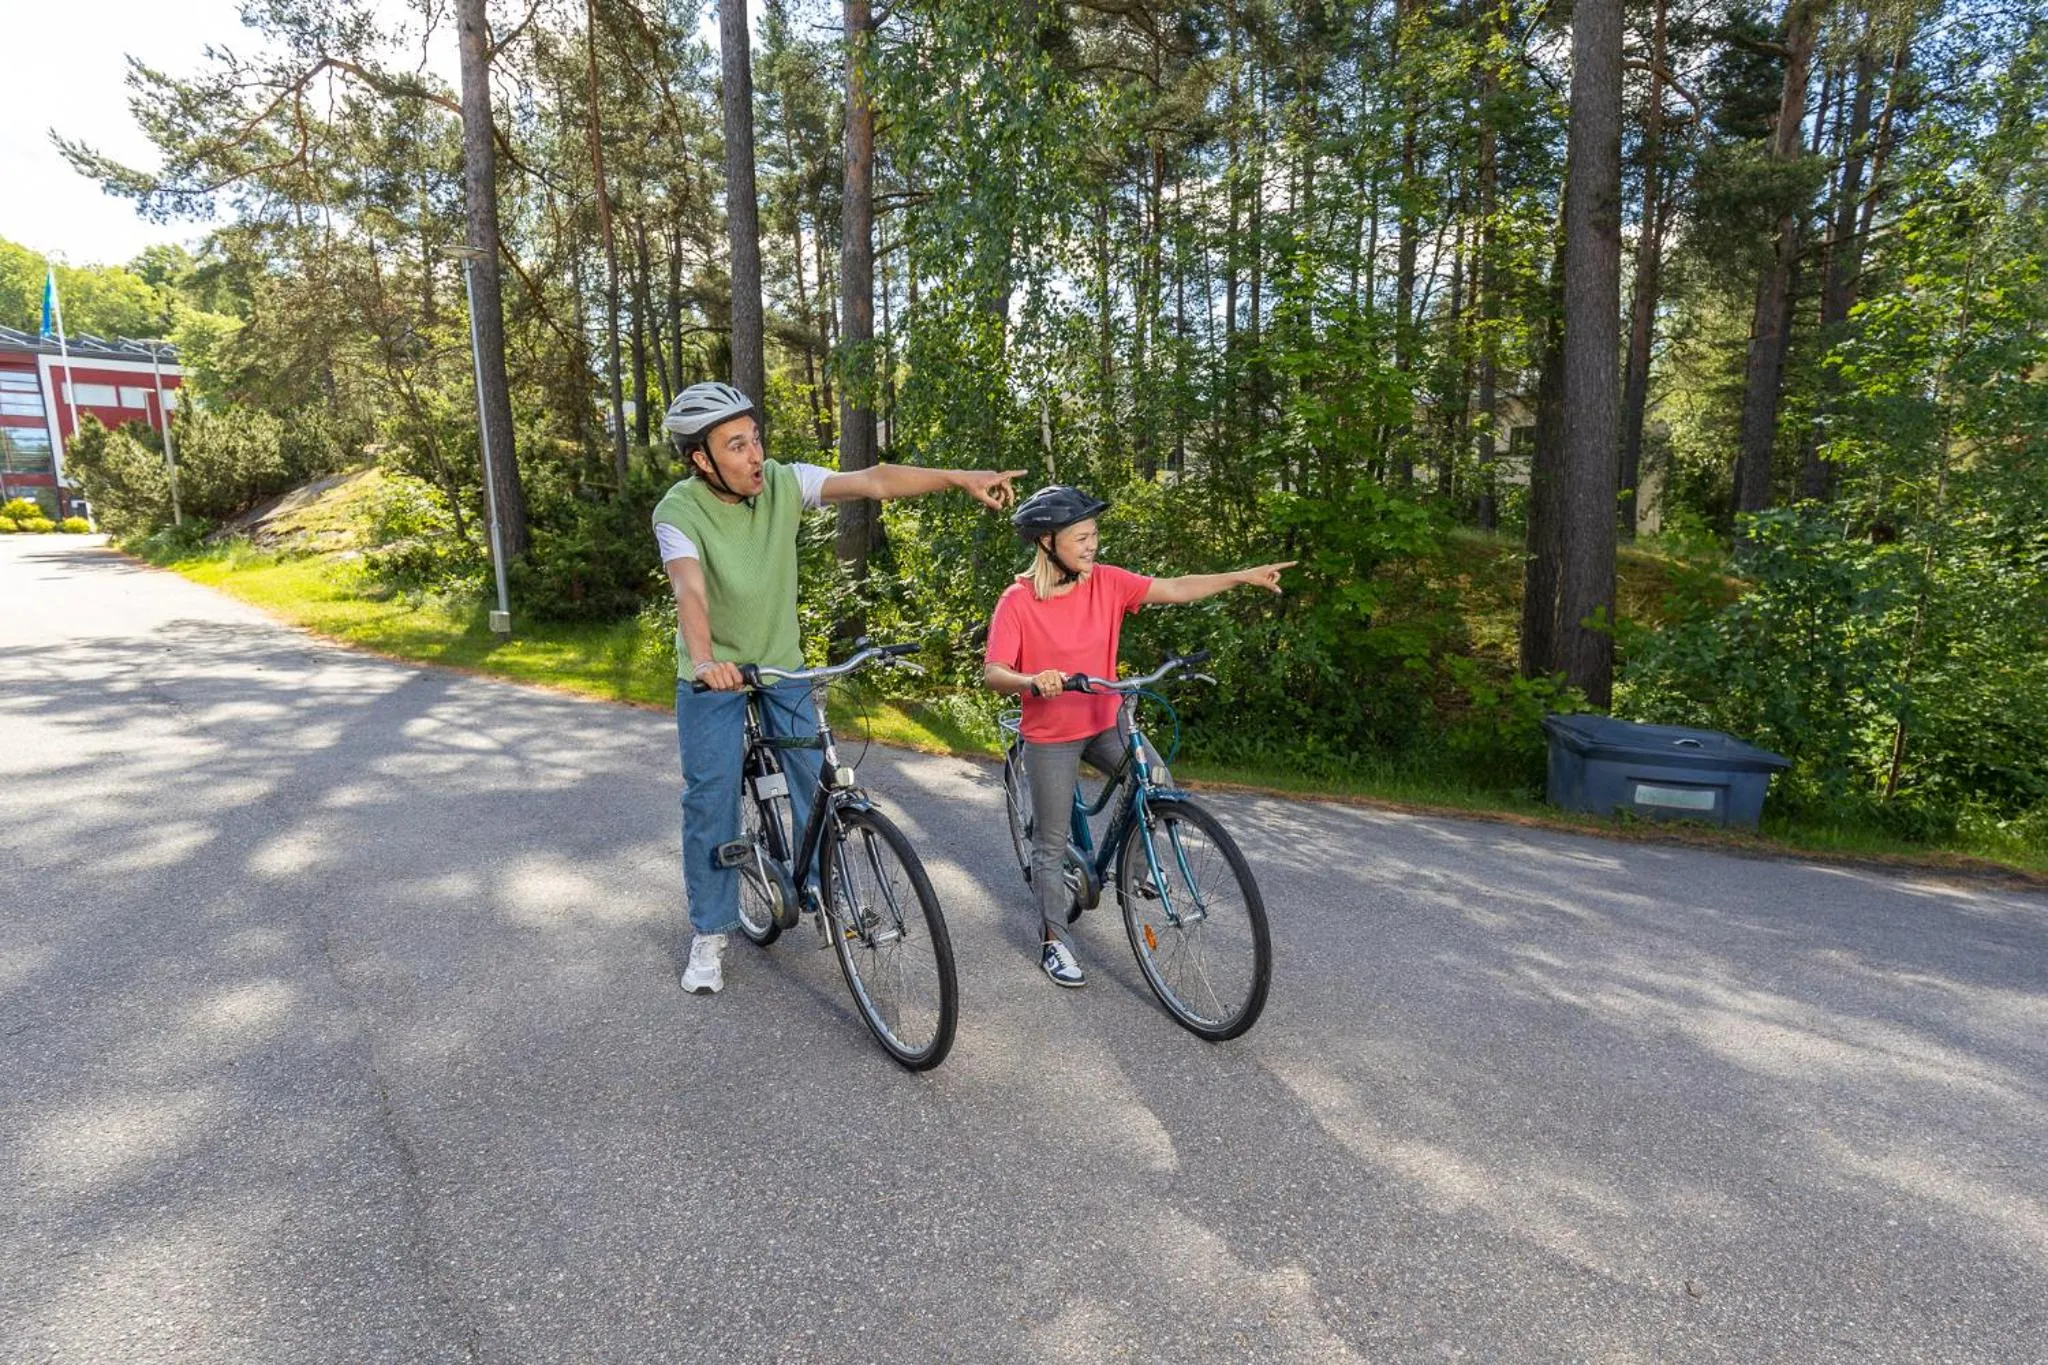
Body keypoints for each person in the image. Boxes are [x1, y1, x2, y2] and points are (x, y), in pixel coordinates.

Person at [656, 381, 1020, 994]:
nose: (754, 455)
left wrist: (960, 477)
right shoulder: (677, 511)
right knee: (711, 796)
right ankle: (711, 929)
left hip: (781, 665)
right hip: (714, 674)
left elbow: (873, 480)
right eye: (736, 445)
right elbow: (689, 590)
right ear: (701, 458)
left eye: (755, 439)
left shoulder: (781, 482)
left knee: (815, 780)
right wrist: (704, 660)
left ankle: (823, 885)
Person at [981, 485, 1292, 987]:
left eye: (1094, 535)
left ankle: (1137, 870)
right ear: (1046, 543)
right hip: (1051, 734)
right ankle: (1054, 942)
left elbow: (1176, 587)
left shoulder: (1106, 583)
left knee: (1158, 779)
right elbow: (994, 671)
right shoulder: (1018, 601)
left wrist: (1241, 577)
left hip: (1105, 723)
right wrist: (1031, 680)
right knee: (1051, 842)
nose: (1091, 545)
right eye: (1080, 537)